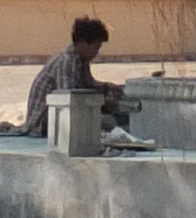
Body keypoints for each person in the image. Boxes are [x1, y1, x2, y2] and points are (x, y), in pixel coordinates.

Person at [23, 13, 134, 143]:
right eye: (95, 48)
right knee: (107, 123)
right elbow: (70, 100)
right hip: (44, 122)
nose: (96, 53)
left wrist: (109, 88)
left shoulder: (81, 60)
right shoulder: (67, 61)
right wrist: (102, 103)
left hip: (62, 114)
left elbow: (89, 85)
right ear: (82, 43)